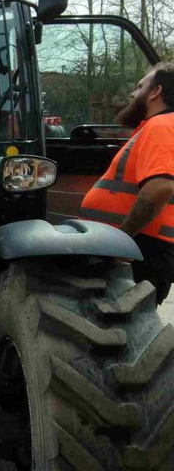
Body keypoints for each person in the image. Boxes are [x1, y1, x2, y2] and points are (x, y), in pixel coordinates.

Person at [81, 62, 174, 303]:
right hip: (140, 250)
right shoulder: (155, 127)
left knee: (117, 331)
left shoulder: (161, 126)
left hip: (139, 253)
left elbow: (161, 187)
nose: (134, 93)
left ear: (156, 92)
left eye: (140, 86)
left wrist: (123, 240)